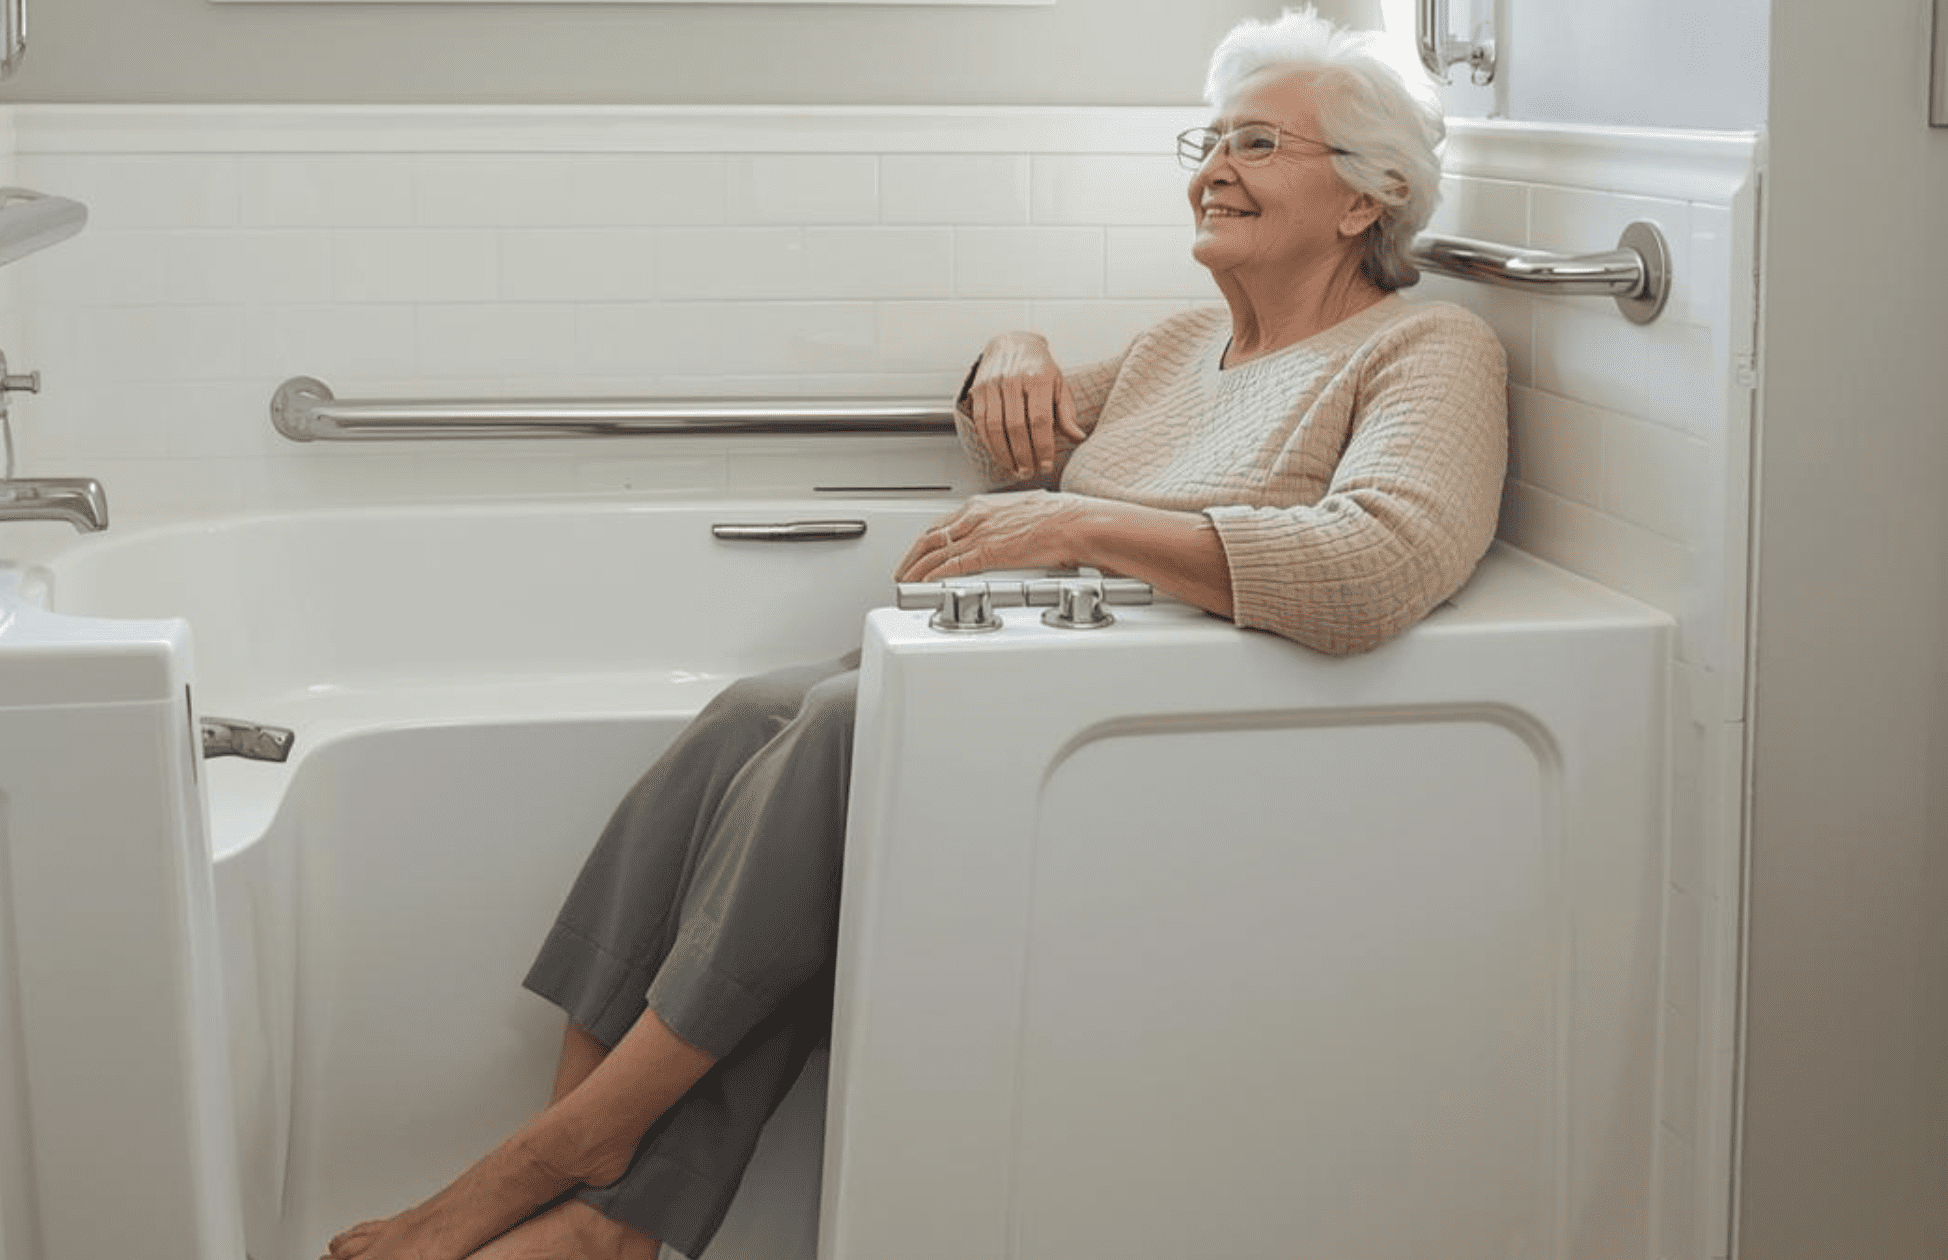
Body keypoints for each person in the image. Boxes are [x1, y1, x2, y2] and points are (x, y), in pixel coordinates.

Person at [322, 8, 1507, 1260]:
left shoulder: (1425, 346)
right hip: (1038, 688)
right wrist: (1013, 349)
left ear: (1366, 198)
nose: (1210, 165)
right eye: (1205, 137)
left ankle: (568, 1162)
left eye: (1256, 142)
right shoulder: (1180, 345)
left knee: (844, 722)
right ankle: (588, 1201)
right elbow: (1015, 439)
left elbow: (1380, 564)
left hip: (1173, 739)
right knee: (748, 717)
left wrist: (1083, 529)